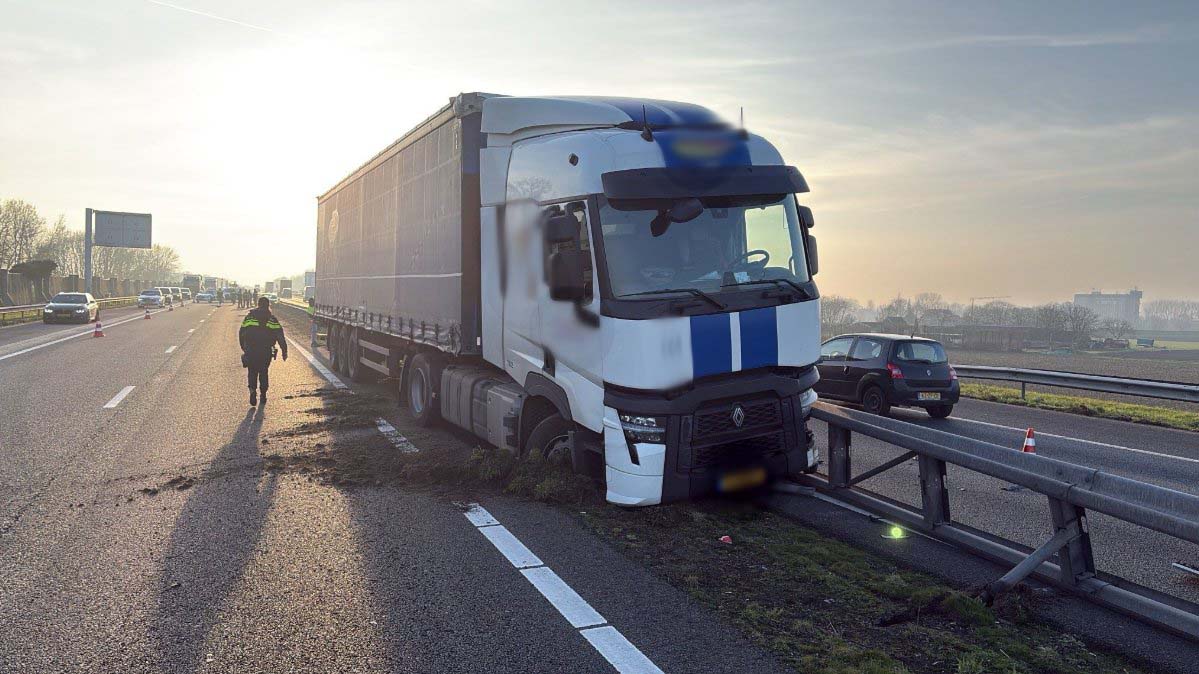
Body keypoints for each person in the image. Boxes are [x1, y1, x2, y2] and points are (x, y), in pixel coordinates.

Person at [239, 296, 288, 406]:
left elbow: (241, 332)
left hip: (251, 350)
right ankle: (263, 395)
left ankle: (252, 391)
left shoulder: (250, 317)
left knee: (252, 371)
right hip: (266, 351)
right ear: (268, 305)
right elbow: (280, 335)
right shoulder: (272, 319)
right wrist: (284, 351)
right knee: (263, 372)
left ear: (258, 304)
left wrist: (244, 347)